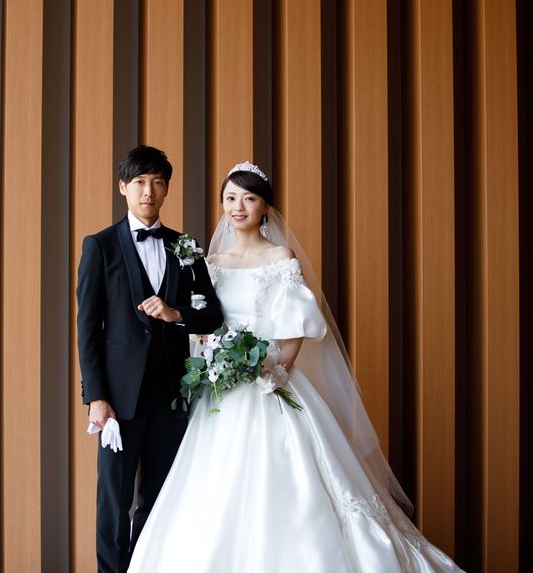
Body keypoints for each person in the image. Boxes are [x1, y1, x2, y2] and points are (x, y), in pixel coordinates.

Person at [127, 161, 464, 572]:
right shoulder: (210, 262)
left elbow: (295, 327)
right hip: (221, 387)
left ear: (265, 207)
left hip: (269, 379)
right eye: (230, 198)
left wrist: (275, 371)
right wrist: (210, 356)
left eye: (249, 198)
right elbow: (203, 323)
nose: (238, 207)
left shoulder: (279, 257)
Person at [76, 145, 223, 573]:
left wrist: (177, 314)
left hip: (172, 395)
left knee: (158, 498)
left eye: (157, 182)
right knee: (113, 499)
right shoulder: (100, 246)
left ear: (167, 189)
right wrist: (96, 397)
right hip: (119, 399)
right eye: (139, 182)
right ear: (123, 187)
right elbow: (88, 329)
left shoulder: (185, 246)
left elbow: (213, 315)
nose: (148, 191)